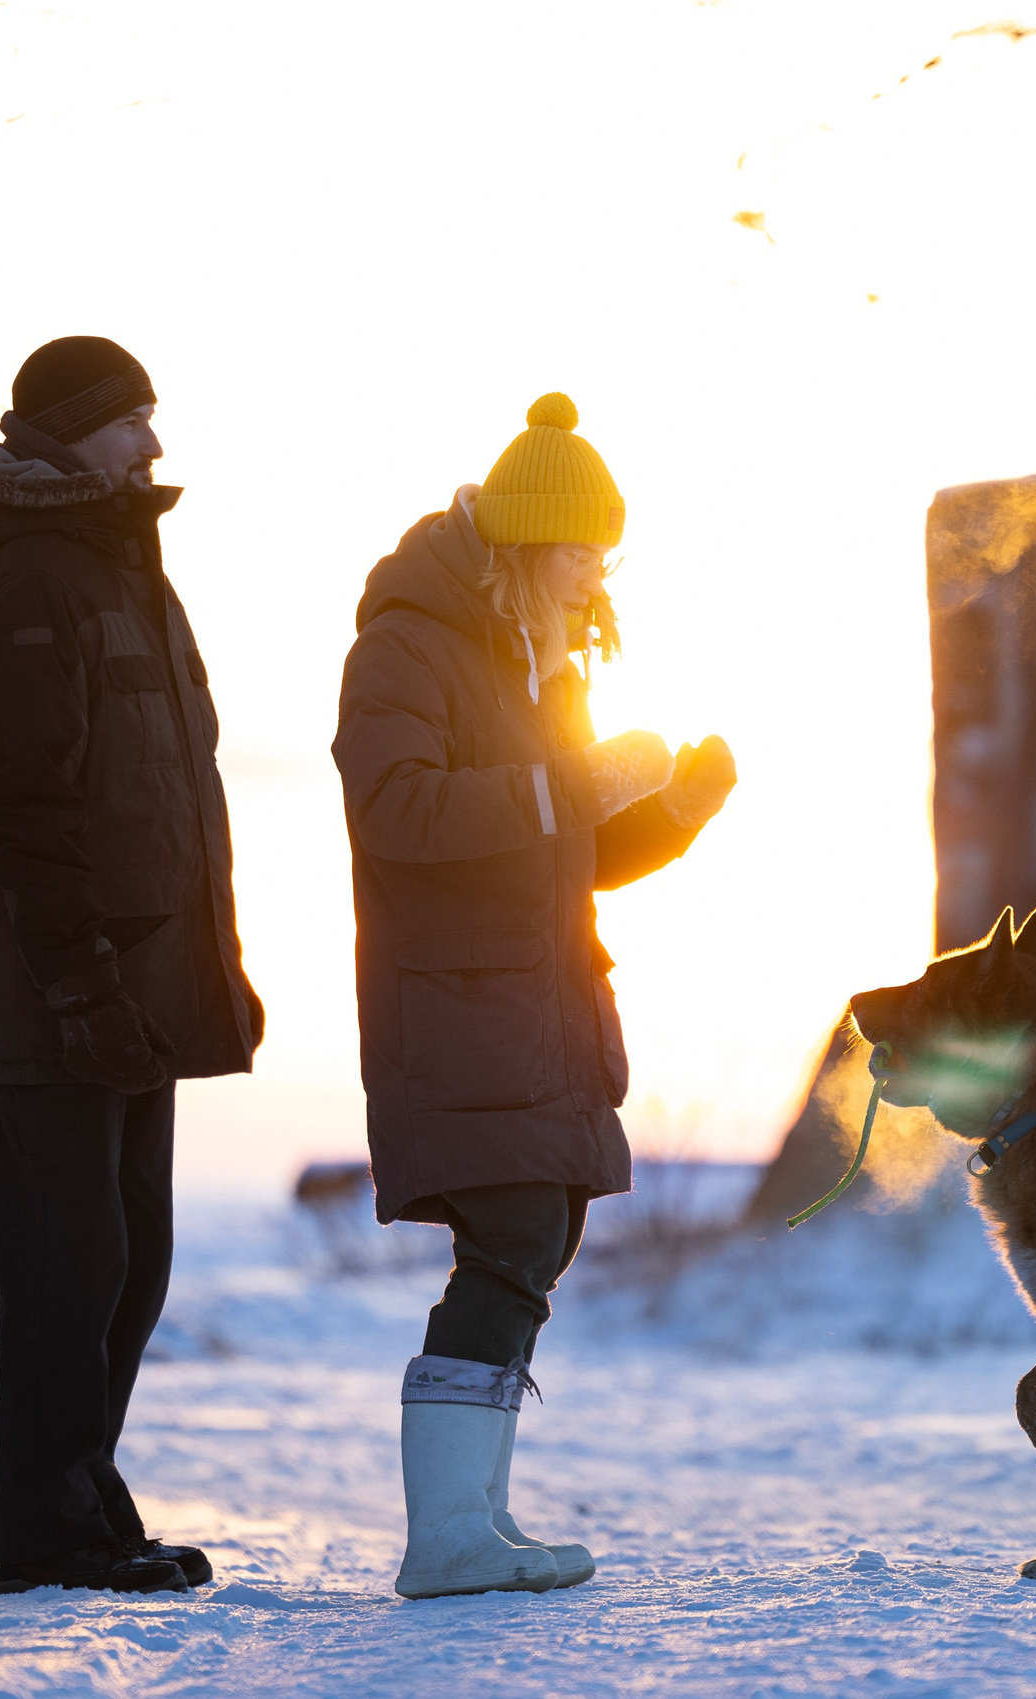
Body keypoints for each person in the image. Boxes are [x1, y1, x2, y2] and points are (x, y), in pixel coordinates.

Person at [333, 393, 735, 1599]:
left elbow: (559, 844)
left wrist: (669, 811)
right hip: (456, 1003)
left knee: (533, 1243)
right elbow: (395, 808)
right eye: (578, 555)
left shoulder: (539, 656)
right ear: (520, 546)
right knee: (508, 1241)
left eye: (604, 558)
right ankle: (446, 1534)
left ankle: (477, 1520)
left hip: (537, 1004)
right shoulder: (407, 643)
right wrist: (569, 782)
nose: (591, 579)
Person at [0, 336, 264, 1596]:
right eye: (132, 418)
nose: (153, 443)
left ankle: (85, 1501)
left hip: (140, 998)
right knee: (68, 1270)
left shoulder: (129, 578)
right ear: (72, 432)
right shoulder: (35, 589)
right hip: (59, 1004)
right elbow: (19, 812)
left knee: (129, 1259)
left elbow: (174, 803)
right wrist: (77, 988)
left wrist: (207, 975)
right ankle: (50, 1534)